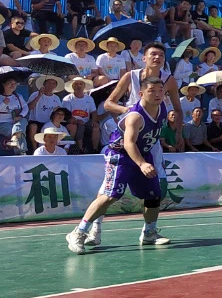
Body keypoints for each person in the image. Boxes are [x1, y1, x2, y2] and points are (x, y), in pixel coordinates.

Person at [66, 76, 171, 254]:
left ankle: (149, 232)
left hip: (142, 153)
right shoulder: (135, 116)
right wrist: (142, 164)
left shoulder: (161, 108)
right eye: (152, 91)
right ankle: (79, 232)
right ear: (141, 94)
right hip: (121, 155)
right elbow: (129, 143)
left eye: (160, 90)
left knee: (153, 195)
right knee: (110, 196)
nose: (157, 94)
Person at [0, 77, 30, 150]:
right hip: (1, 123)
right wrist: (3, 104)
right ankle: (22, 152)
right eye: (10, 83)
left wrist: (20, 116)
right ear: (3, 84)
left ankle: (14, 139)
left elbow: (25, 107)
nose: (13, 85)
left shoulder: (18, 96)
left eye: (15, 83)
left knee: (23, 121)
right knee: (19, 132)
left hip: (15, 122)